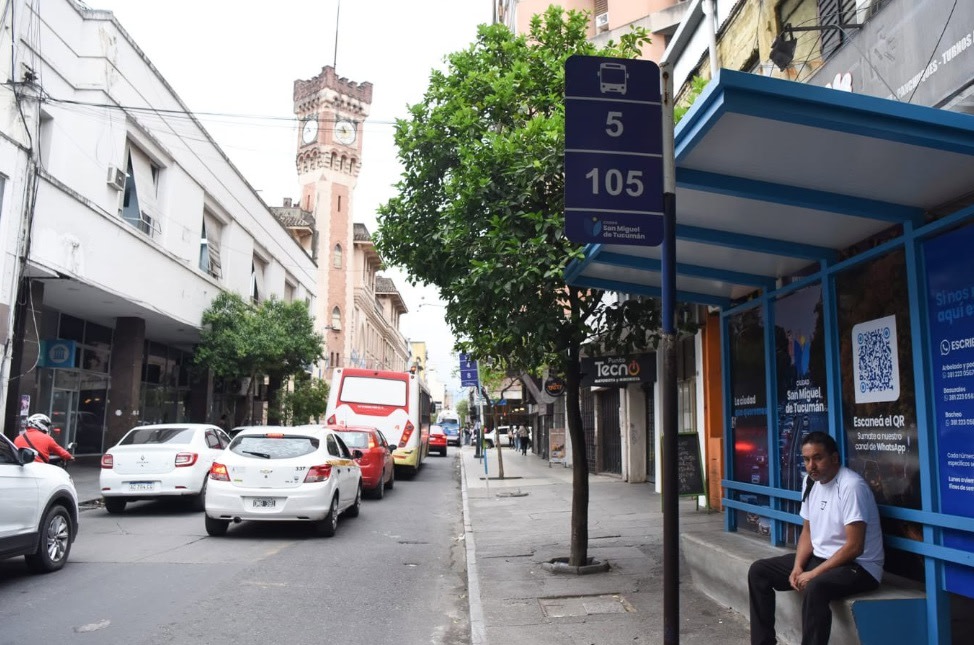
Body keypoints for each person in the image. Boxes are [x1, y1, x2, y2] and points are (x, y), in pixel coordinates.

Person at [747, 431, 884, 645]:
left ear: (835, 458)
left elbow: (855, 547)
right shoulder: (809, 483)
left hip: (859, 567)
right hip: (822, 559)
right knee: (759, 571)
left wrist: (814, 574)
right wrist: (797, 567)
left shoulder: (851, 487)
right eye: (806, 459)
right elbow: (808, 532)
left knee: (816, 587)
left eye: (818, 458)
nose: (811, 465)